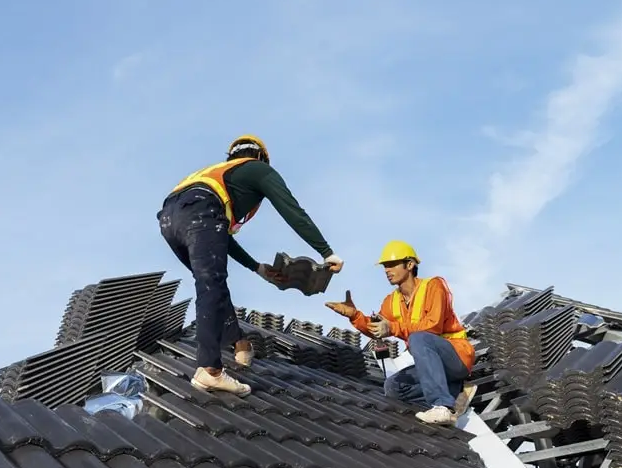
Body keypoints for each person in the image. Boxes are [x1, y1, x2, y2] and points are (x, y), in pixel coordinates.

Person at [158, 134, 344, 395]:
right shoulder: (257, 169)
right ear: (260, 157)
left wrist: (258, 268)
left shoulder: (214, 175)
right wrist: (326, 252)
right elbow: (292, 210)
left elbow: (218, 237)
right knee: (211, 284)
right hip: (200, 214)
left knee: (212, 282)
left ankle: (240, 344)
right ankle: (209, 370)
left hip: (170, 220)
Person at [324, 240, 476, 424]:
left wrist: (393, 328)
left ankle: (442, 405)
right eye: (385, 267)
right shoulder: (391, 301)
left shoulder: (434, 286)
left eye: (391, 265)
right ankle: (455, 394)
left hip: (456, 357)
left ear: (410, 265)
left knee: (418, 339)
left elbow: (433, 326)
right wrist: (355, 316)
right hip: (433, 365)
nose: (387, 270)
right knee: (394, 387)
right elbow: (378, 327)